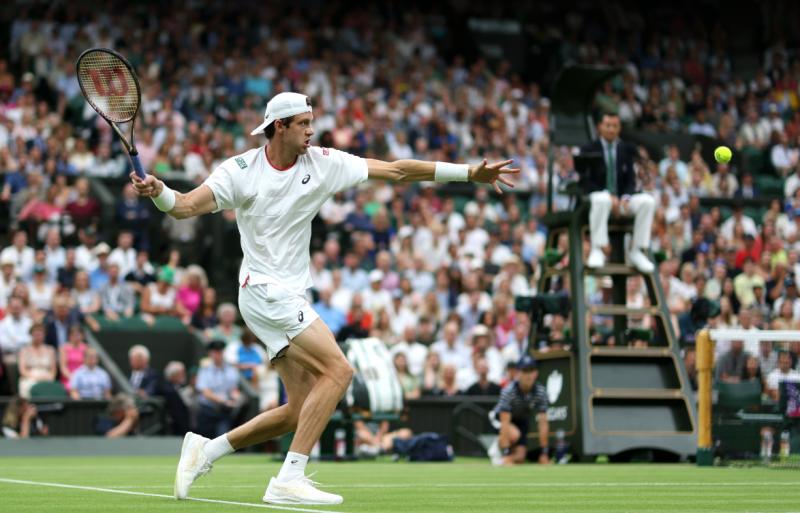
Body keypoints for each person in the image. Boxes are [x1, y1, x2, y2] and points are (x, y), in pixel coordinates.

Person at [131, 91, 517, 504]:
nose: (311, 131)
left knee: (298, 410)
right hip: (263, 291)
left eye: (311, 122)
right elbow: (185, 206)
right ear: (279, 126)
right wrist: (160, 191)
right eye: (303, 123)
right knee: (339, 371)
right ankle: (288, 478)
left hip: (284, 294)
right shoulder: (240, 171)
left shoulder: (323, 163)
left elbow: (397, 171)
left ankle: (206, 451)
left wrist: (468, 173)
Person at [580, 112, 656, 273]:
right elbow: (585, 181)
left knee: (648, 201)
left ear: (619, 128)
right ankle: (598, 248)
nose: (611, 129)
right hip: (598, 201)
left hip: (621, 201)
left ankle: (637, 250)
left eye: (614, 126)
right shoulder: (588, 149)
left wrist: (626, 197)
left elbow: (630, 181)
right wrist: (608, 196)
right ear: (600, 127)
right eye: (608, 125)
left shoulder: (626, 149)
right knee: (602, 199)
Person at [488, 355, 550, 466]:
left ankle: (500, 460)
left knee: (520, 457)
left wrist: (544, 453)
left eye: (531, 370)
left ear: (536, 373)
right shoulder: (508, 391)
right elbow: (505, 422)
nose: (528, 375)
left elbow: (543, 423)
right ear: (518, 373)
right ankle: (497, 448)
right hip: (500, 418)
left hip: (521, 420)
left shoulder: (541, 392)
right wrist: (507, 453)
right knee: (514, 434)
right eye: (525, 371)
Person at [196, 340, 241, 439]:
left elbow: (234, 389)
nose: (218, 355)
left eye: (220, 351)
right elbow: (206, 392)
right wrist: (223, 401)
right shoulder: (205, 369)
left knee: (222, 439)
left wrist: (236, 397)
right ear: (210, 353)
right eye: (215, 352)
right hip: (207, 411)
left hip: (224, 412)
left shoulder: (231, 370)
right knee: (205, 440)